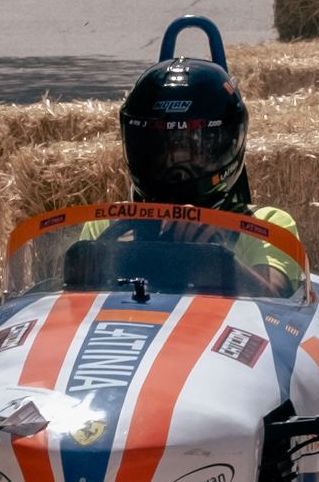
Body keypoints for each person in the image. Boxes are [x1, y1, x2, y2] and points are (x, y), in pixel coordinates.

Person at [115, 23, 302, 298]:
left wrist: (215, 258)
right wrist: (120, 253)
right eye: (163, 149)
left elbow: (277, 300)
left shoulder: (267, 224)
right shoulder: (109, 225)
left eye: (193, 149)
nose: (177, 164)